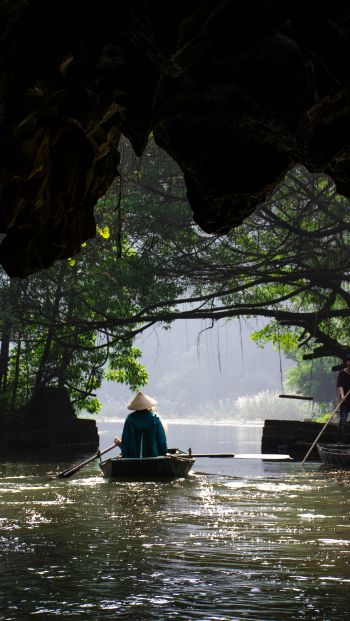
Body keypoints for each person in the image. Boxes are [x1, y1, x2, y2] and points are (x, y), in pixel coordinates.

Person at [114, 391, 168, 458]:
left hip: (133, 457)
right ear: (147, 405)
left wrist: (125, 456)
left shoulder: (130, 419)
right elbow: (161, 440)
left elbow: (126, 441)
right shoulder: (155, 418)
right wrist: (163, 454)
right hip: (153, 456)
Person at [336, 354, 350, 443]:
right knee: (342, 420)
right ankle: (340, 440)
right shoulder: (342, 373)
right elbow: (340, 385)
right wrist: (342, 395)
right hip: (345, 400)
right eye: (349, 361)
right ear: (347, 362)